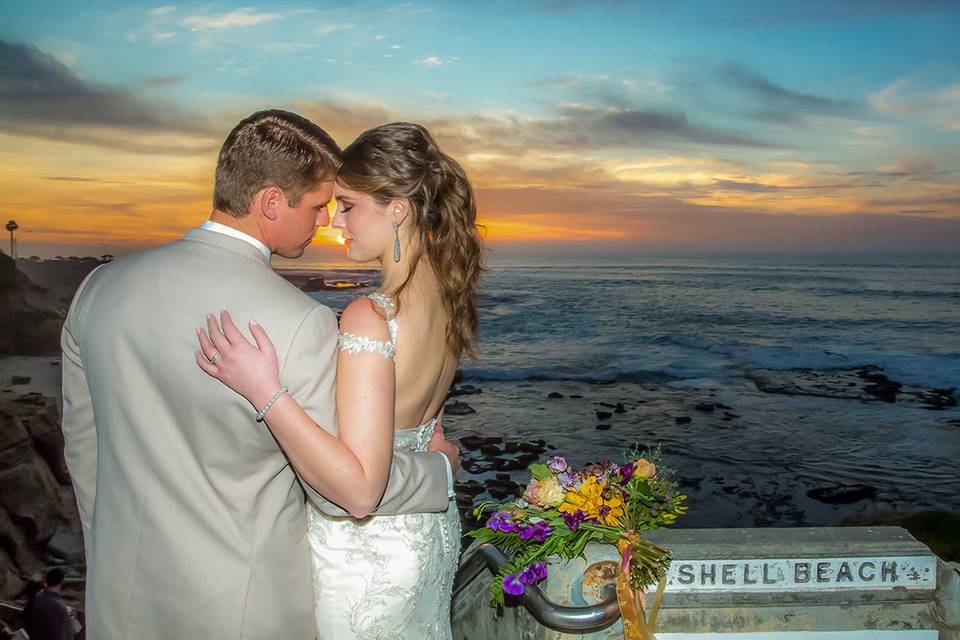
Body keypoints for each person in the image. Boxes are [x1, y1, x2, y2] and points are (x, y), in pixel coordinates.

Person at [60, 110, 460, 640]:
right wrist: (440, 471)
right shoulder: (299, 323)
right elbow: (340, 489)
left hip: (119, 600)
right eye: (320, 206)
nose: (326, 223)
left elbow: (83, 449)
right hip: (243, 611)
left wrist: (107, 552)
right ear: (271, 202)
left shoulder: (98, 289)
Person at [195, 122, 484, 638]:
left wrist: (265, 391)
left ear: (397, 207)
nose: (335, 223)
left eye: (348, 206)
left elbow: (359, 490)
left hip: (365, 557)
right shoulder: (449, 299)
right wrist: (438, 462)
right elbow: (424, 430)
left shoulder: (370, 317)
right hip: (429, 536)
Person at [22, 568, 73, 640]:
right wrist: (67, 618)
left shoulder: (39, 595)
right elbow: (57, 634)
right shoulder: (57, 605)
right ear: (61, 582)